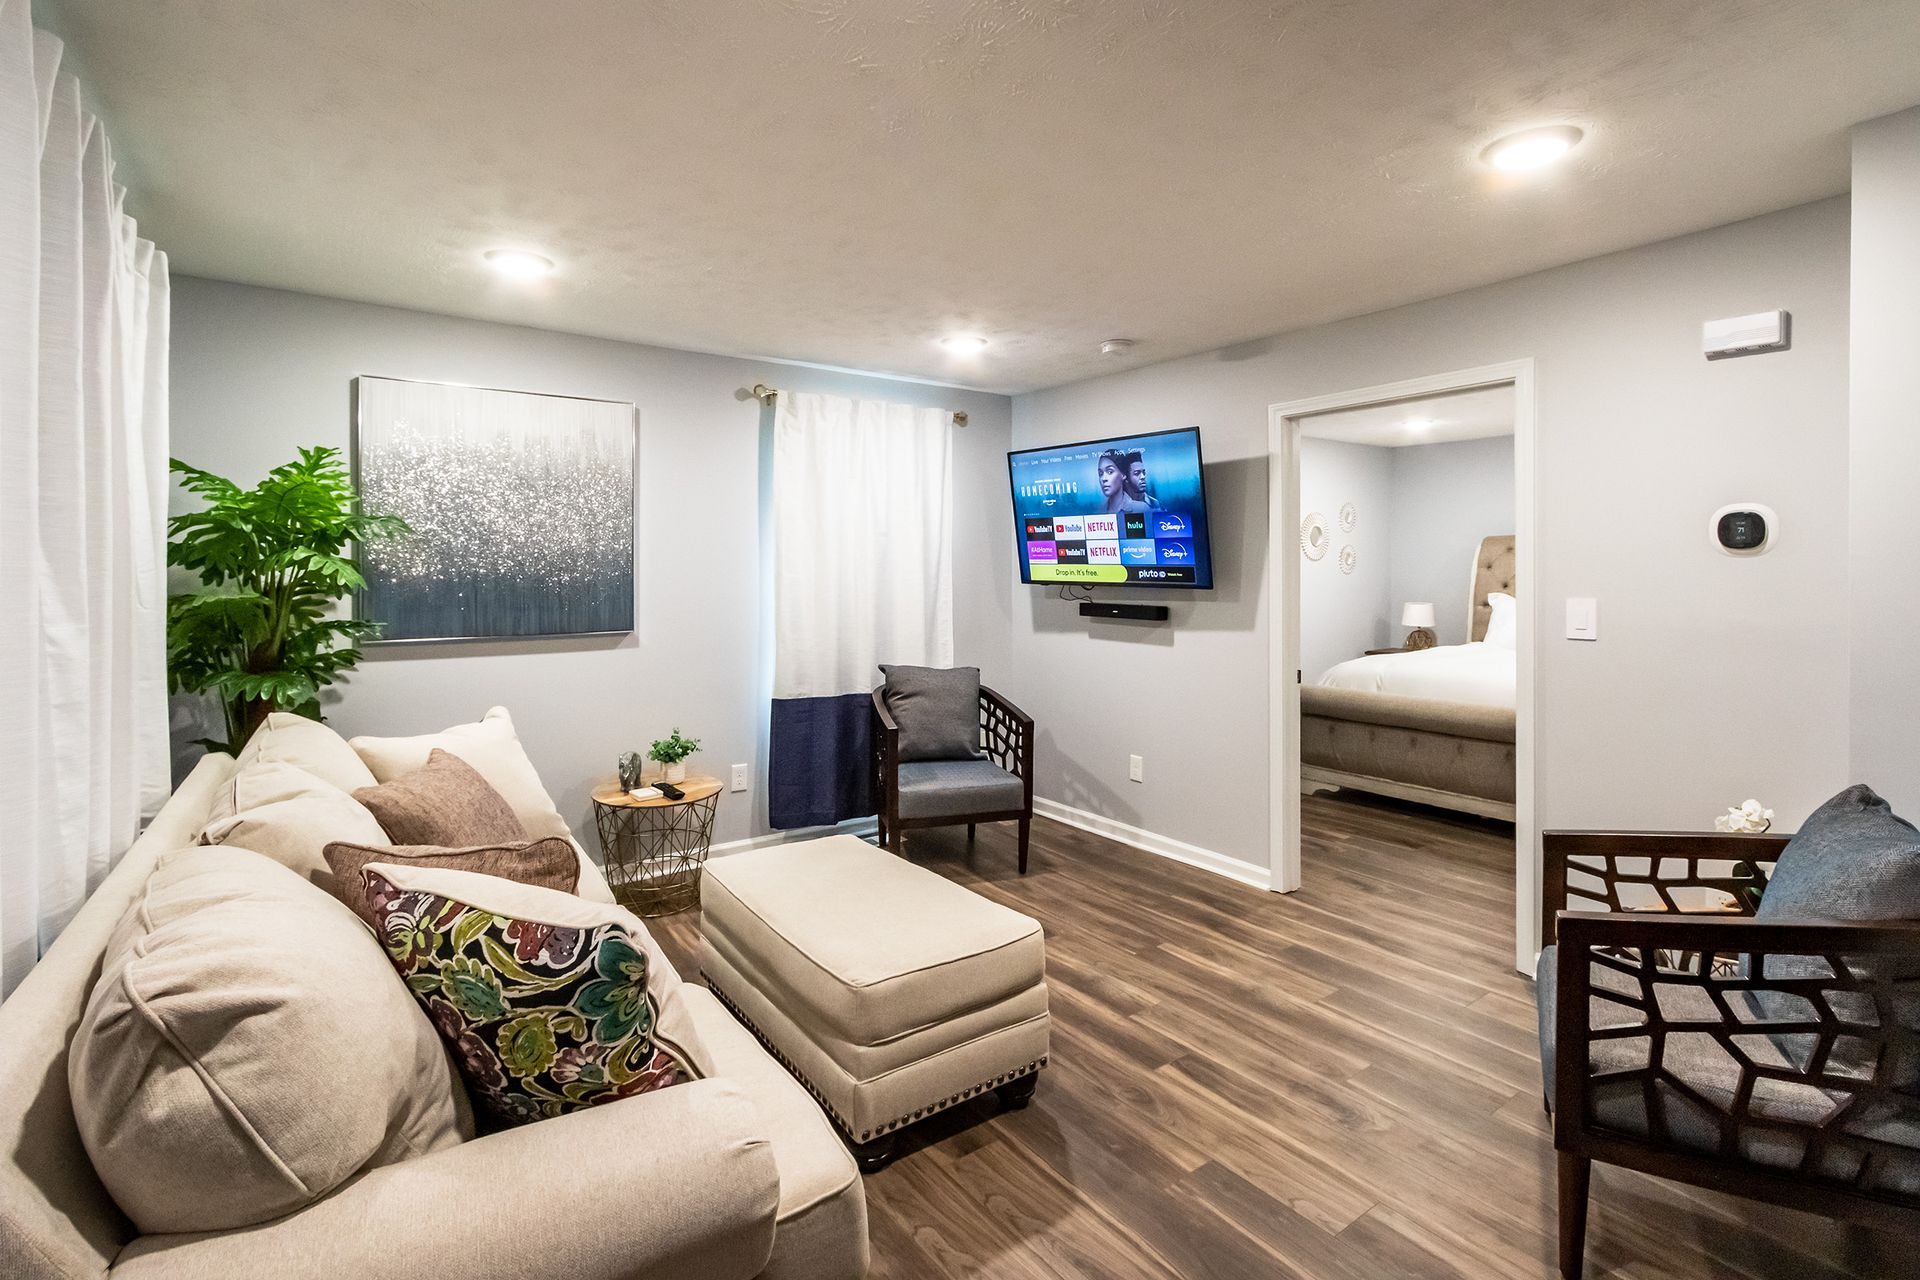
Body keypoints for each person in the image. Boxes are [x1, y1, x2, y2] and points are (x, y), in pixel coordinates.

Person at [1096, 449, 1145, 513]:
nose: (1103, 479)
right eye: (1100, 473)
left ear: (1123, 474)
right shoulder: (1098, 512)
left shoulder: (1142, 508)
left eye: (1110, 472)